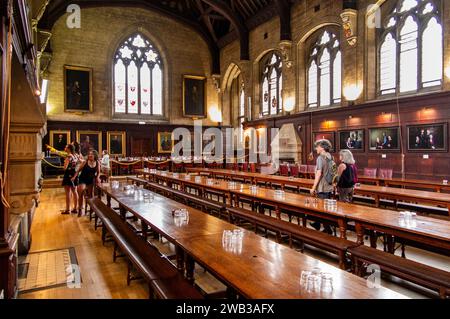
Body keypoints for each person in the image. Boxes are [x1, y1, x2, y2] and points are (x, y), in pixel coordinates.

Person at [309, 139, 335, 234]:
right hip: (329, 186)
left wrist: (313, 187)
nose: (316, 148)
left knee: (322, 209)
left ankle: (328, 230)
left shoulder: (320, 158)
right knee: (325, 208)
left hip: (322, 186)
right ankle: (319, 224)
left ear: (322, 148)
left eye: (317, 146)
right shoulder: (330, 157)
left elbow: (319, 173)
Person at [73, 150, 100, 217]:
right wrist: (74, 177)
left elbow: (98, 172)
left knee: (91, 195)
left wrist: (97, 178)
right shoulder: (85, 162)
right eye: (89, 154)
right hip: (83, 179)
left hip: (91, 181)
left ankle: (92, 209)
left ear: (95, 156)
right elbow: (78, 170)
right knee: (81, 192)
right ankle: (80, 209)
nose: (90, 155)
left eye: (92, 154)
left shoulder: (97, 163)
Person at [61, 144, 79, 215]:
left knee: (68, 193)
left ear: (69, 149)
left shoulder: (69, 156)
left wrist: (64, 163)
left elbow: (65, 168)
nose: (65, 148)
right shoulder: (76, 155)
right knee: (75, 191)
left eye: (66, 147)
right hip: (74, 174)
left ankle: (67, 209)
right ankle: (75, 208)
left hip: (68, 175)